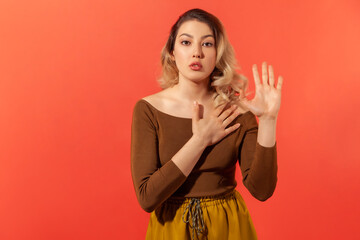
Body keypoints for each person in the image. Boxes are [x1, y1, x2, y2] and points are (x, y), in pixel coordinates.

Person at [130, 8, 283, 240]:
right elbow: (147, 198)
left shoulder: (237, 110)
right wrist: (199, 140)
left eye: (207, 44)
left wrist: (268, 120)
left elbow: (262, 190)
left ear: (218, 53)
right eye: (186, 42)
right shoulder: (148, 110)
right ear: (172, 52)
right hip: (171, 230)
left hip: (229, 228)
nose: (197, 53)